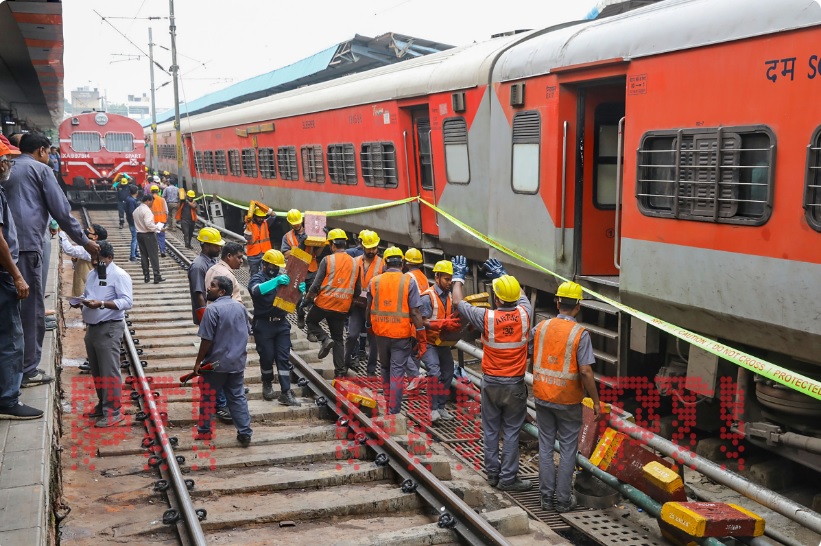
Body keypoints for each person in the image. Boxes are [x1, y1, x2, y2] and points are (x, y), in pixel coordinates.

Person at [5, 132, 99, 387]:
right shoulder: (41, 170)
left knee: (10, 307)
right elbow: (62, 212)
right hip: (26, 245)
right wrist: (85, 241)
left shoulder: (8, 167)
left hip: (7, 245)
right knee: (31, 307)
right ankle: (28, 370)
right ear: (42, 151)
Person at [451, 256, 532, 492]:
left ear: (496, 298)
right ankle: (509, 479)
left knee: (490, 429)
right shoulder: (526, 314)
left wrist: (458, 276)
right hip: (515, 386)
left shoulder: (487, 317)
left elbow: (458, 302)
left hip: (491, 384)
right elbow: (521, 295)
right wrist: (503, 274)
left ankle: (493, 474)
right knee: (511, 432)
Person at [533, 281, 601, 513]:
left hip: (542, 396)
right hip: (568, 400)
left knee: (545, 446)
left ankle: (544, 498)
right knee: (568, 450)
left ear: (558, 302)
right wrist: (597, 402)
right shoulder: (580, 334)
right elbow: (585, 371)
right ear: (578, 306)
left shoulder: (541, 327)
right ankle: (562, 501)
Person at [0, 138, 41, 419]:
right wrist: (17, 276)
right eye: (6, 159)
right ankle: (8, 399)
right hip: (3, 275)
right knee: (12, 339)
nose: (8, 164)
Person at [73, 241, 133, 427]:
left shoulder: (119, 275)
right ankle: (103, 404)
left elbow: (126, 302)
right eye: (93, 259)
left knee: (109, 371)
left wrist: (100, 304)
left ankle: (113, 411)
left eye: (98, 260)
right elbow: (90, 293)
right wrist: (81, 301)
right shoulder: (92, 274)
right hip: (92, 328)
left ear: (109, 258)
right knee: (98, 370)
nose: (95, 263)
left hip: (109, 328)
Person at [192, 276, 252, 445]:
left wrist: (198, 363)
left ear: (222, 291)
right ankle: (245, 432)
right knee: (237, 396)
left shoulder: (212, 310)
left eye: (212, 286)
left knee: (207, 397)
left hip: (215, 365)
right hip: (237, 363)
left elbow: (206, 340)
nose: (208, 288)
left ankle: (204, 431)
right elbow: (247, 331)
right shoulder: (240, 308)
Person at [365, 247, 425, 415]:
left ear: (385, 263)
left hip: (381, 333)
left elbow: (369, 308)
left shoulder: (374, 281)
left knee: (384, 368)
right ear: (402, 263)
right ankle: (394, 411)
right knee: (397, 372)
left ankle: (387, 401)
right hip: (401, 335)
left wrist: (369, 326)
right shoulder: (409, 281)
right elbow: (415, 312)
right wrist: (421, 335)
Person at [249, 249, 304, 406]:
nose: (275, 269)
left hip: (281, 324)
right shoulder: (258, 278)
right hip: (264, 324)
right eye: (272, 266)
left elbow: (291, 303)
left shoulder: (284, 279)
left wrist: (298, 292)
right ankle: (267, 383)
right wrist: (276, 282)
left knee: (283, 357)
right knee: (267, 357)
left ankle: (286, 392)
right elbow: (255, 291)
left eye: (277, 266)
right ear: (264, 264)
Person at [187, 227, 231, 423]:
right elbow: (199, 295)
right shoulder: (198, 266)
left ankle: (222, 395)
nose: (218, 248)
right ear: (205, 245)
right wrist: (208, 320)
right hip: (209, 317)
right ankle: (219, 403)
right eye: (215, 245)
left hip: (215, 316)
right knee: (214, 360)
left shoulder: (210, 262)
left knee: (218, 358)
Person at [304, 229, 359, 378]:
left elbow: (316, 284)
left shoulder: (327, 260)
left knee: (310, 321)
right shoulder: (355, 263)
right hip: (342, 307)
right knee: (338, 339)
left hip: (325, 303)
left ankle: (324, 339)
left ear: (332, 245)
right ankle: (340, 372)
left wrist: (307, 299)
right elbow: (358, 289)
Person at [420, 260, 457, 423]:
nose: (449, 283)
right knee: (435, 372)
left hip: (442, 342)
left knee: (448, 373)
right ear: (437, 277)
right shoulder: (428, 297)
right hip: (428, 343)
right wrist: (441, 324)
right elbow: (422, 321)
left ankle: (441, 407)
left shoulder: (449, 297)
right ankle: (433, 409)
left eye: (451, 280)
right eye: (446, 279)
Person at [345, 230, 383, 374]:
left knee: (373, 341)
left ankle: (371, 371)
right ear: (362, 246)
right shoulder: (354, 262)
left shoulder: (382, 264)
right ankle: (345, 363)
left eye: (374, 248)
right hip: (357, 306)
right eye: (369, 248)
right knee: (351, 335)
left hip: (373, 307)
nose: (372, 251)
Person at [280, 208, 321, 329]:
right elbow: (285, 254)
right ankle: (300, 315)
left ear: (302, 220)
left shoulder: (312, 233)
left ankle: (312, 326)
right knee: (297, 297)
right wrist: (299, 246)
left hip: (311, 269)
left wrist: (322, 238)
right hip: (296, 270)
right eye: (293, 223)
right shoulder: (287, 237)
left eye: (297, 222)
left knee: (313, 298)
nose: (296, 225)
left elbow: (317, 253)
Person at [403, 247, 428, 389]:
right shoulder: (423, 276)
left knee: (402, 352)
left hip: (412, 322)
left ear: (406, 263)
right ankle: (415, 383)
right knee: (414, 353)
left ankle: (415, 377)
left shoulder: (408, 277)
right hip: (421, 322)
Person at [60, 223, 108, 297]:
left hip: (85, 285)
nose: (86, 231)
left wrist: (61, 232)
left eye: (89, 230)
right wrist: (75, 262)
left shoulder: (92, 249)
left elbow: (69, 249)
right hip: (84, 282)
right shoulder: (92, 246)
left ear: (95, 237)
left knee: (85, 304)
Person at [133, 194, 165, 284]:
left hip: (139, 234)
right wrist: (158, 228)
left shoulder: (136, 210)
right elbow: (148, 224)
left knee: (144, 256)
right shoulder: (147, 211)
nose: (152, 203)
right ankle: (156, 276)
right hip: (149, 235)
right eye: (152, 201)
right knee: (153, 255)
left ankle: (146, 276)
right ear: (148, 200)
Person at [244, 207, 274, 276]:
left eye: (263, 217)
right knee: (254, 274)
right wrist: (248, 226)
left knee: (265, 273)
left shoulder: (266, 223)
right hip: (253, 255)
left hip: (265, 253)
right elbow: (246, 237)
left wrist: (263, 207)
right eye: (259, 217)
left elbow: (274, 215)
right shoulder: (249, 225)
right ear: (255, 216)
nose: (261, 219)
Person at [149, 185, 169, 257]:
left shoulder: (149, 200)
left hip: (153, 221)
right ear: (158, 191)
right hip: (162, 221)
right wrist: (166, 219)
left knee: (152, 237)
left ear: (151, 191)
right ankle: (162, 250)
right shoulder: (162, 199)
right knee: (161, 236)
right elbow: (166, 211)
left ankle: (153, 251)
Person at [124, 185, 140, 261]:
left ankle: (136, 253)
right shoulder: (132, 201)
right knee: (134, 238)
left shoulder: (129, 199)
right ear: (136, 192)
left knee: (136, 238)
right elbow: (131, 212)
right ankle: (132, 255)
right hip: (133, 222)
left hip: (132, 221)